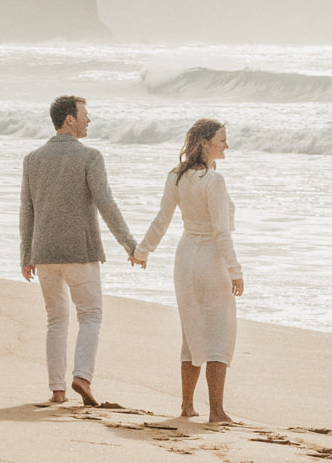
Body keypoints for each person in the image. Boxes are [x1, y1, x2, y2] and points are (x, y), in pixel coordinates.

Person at [19, 94, 139, 408]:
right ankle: (82, 377)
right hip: (80, 251)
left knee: (56, 320)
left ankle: (57, 389)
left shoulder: (32, 159)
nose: (89, 120)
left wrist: (25, 256)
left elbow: (26, 211)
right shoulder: (90, 157)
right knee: (91, 315)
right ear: (69, 119)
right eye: (85, 115)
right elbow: (106, 203)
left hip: (43, 253)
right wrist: (129, 243)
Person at [135, 116, 244, 424]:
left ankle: (186, 406)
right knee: (220, 335)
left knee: (192, 332)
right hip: (211, 260)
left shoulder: (176, 177)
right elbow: (221, 232)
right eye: (221, 140)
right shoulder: (213, 181)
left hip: (184, 260)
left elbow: (162, 219)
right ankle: (217, 412)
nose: (226, 145)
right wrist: (235, 270)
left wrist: (143, 250)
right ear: (205, 143)